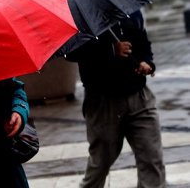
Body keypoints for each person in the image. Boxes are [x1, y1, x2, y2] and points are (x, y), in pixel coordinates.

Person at [68, 10, 166, 188]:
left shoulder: (130, 9)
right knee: (101, 163)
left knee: (152, 159)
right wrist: (111, 50)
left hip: (139, 95)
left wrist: (147, 62)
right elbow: (72, 52)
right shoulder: (80, 15)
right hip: (102, 101)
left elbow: (142, 41)